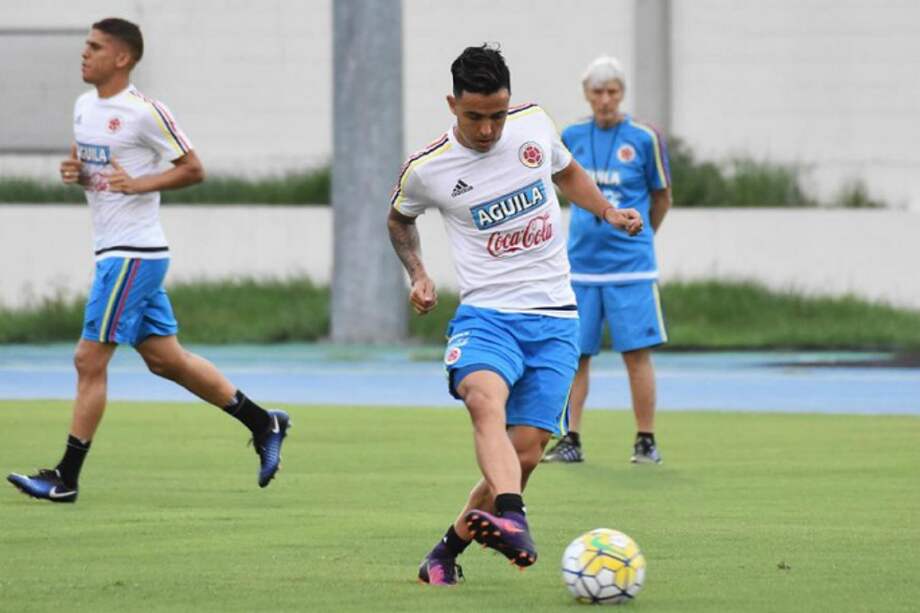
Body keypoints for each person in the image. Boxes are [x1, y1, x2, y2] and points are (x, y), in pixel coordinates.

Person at [387, 44, 643, 586]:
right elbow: (399, 220)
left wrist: (607, 211)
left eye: (497, 115)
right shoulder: (428, 169)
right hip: (486, 316)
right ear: (452, 104)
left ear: (510, 104)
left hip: (554, 320)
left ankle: (444, 552)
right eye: (474, 116)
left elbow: (568, 174)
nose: (487, 130)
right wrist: (419, 273)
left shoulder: (534, 126)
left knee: (524, 454)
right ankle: (514, 515)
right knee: (485, 402)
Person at [6, 18, 290, 503]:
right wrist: (76, 173)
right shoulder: (82, 107)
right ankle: (264, 422)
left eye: (95, 47)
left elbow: (193, 169)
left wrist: (140, 184)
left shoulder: (144, 112)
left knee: (87, 358)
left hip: (133, 254)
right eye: (85, 45)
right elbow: (88, 168)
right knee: (167, 362)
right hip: (117, 252)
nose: (84, 53)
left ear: (122, 58)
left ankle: (65, 478)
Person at [541, 56, 672, 466]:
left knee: (636, 353)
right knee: (576, 354)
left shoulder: (644, 138)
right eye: (597, 92)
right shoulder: (571, 135)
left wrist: (644, 235)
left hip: (631, 268)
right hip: (580, 265)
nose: (605, 100)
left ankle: (645, 440)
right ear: (586, 94)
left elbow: (661, 196)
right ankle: (570, 439)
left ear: (622, 93)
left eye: (612, 91)